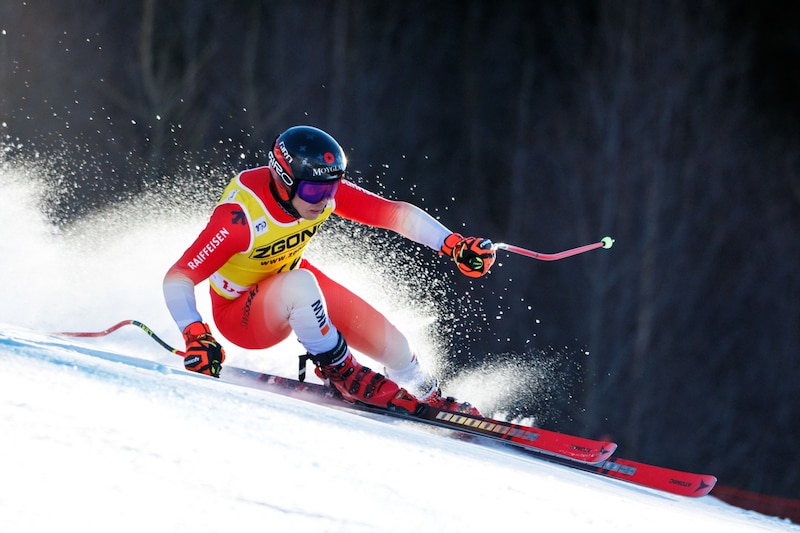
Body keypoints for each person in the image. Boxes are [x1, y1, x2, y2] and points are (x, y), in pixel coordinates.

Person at [163, 125, 496, 415]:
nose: (323, 201)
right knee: (301, 283)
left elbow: (394, 214)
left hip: (291, 282)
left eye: (331, 189)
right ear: (284, 180)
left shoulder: (319, 190)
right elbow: (178, 276)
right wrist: (195, 334)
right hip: (241, 314)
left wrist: (452, 244)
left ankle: (428, 395)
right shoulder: (240, 218)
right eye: (313, 191)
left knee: (395, 347)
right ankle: (341, 372)